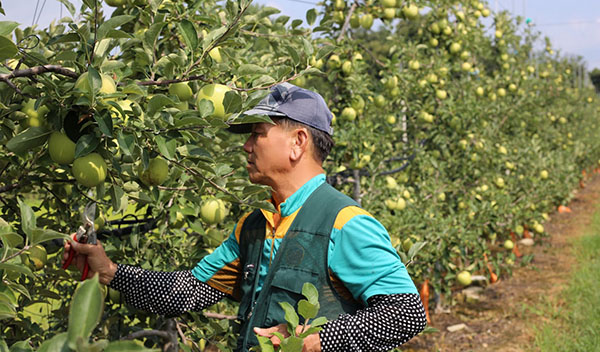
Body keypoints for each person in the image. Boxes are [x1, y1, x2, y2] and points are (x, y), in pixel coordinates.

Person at [63, 83, 427, 351]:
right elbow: (189, 291)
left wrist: (315, 339)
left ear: (298, 142)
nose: (246, 146)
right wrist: (108, 270)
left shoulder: (344, 222)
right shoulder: (255, 225)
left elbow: (407, 312)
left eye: (257, 134)